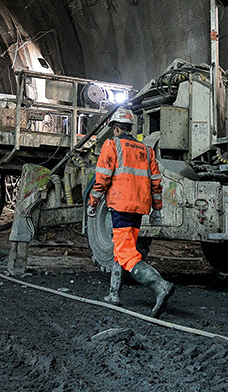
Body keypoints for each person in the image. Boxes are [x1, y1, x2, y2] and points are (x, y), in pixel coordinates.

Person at [87, 107, 174, 317]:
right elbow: (156, 184)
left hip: (120, 206)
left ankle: (160, 286)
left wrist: (93, 203)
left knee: (126, 254)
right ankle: (113, 293)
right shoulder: (146, 150)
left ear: (116, 128)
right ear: (129, 128)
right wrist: (157, 210)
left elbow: (102, 179)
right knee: (123, 246)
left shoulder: (112, 145)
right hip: (139, 208)